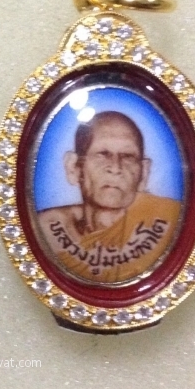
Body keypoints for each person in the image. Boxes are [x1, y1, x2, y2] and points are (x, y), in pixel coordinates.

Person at [37, 111, 181, 284]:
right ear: (74, 168)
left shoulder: (169, 221)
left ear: (144, 173)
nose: (115, 168)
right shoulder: (45, 229)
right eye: (102, 154)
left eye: (128, 157)